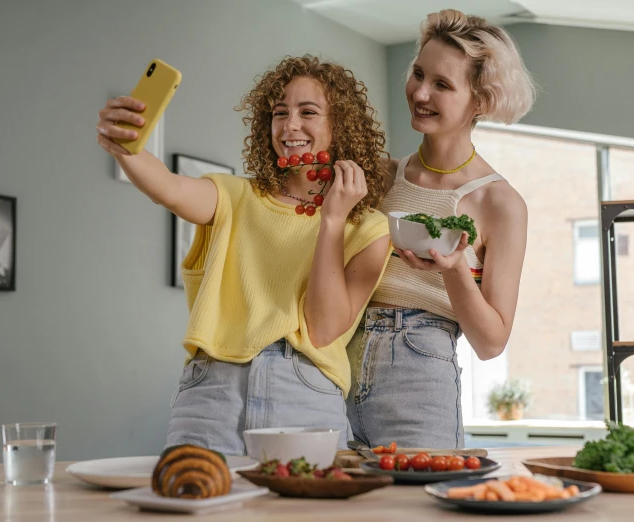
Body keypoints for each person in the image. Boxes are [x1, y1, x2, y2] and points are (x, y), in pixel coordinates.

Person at [95, 55, 392, 455]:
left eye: (308, 112)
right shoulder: (235, 196)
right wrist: (124, 147)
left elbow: (322, 329)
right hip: (211, 394)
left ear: (341, 125)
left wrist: (332, 221)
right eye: (280, 113)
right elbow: (167, 187)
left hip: (304, 393)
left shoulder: (369, 228)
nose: (290, 126)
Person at [346, 9, 536, 449]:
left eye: (442, 85)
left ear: (481, 101)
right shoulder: (380, 176)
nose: (420, 92)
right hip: (339, 360)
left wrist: (452, 271)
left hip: (419, 375)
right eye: (417, 74)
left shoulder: (500, 204)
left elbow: (491, 342)